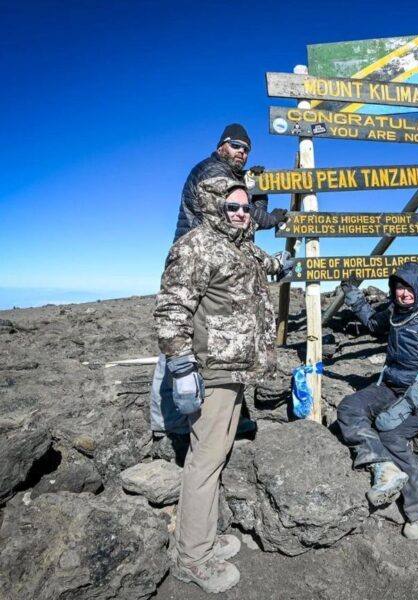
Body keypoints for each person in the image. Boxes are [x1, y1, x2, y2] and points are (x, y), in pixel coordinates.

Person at [154, 176, 289, 592]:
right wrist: (179, 365)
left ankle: (204, 539)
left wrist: (281, 263)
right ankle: (191, 558)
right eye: (233, 207)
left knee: (216, 454)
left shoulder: (239, 244)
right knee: (204, 460)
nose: (241, 213)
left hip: (236, 370)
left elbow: (261, 262)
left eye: (246, 208)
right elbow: (173, 307)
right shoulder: (196, 246)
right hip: (210, 372)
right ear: (214, 206)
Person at [151, 123, 289, 454]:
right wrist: (275, 217)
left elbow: (245, 217)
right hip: (203, 267)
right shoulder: (214, 171)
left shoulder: (228, 174)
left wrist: (257, 190)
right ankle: (168, 426)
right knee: (181, 340)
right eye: (236, 145)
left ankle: (227, 416)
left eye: (247, 148)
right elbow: (244, 217)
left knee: (226, 342)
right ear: (221, 145)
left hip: (220, 267)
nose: (242, 151)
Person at [336, 261, 418, 540]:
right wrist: (353, 295)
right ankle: (383, 466)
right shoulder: (393, 312)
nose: (404, 294)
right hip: (390, 385)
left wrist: (408, 404)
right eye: (399, 288)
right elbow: (372, 323)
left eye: (409, 288)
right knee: (349, 407)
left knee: (391, 433)